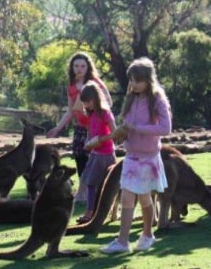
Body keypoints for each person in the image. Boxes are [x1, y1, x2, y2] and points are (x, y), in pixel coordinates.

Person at [100, 57, 172, 254]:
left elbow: (166, 128)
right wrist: (121, 135)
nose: (133, 84)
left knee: (145, 197)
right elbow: (127, 125)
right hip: (131, 155)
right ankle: (123, 241)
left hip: (148, 157)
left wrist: (138, 128)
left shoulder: (157, 99)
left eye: (137, 80)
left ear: (148, 80)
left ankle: (147, 235)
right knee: (127, 196)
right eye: (131, 80)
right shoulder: (131, 98)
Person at [46, 52, 111, 202]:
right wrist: (57, 128)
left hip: (95, 127)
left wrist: (90, 106)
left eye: (82, 66)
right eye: (76, 66)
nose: (79, 69)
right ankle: (83, 192)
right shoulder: (71, 86)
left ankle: (92, 192)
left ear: (88, 67)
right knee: (79, 156)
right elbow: (70, 111)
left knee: (93, 159)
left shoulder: (95, 83)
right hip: (80, 127)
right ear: (72, 67)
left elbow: (108, 103)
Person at [76, 82, 118, 223]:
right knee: (88, 181)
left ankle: (91, 213)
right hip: (95, 153)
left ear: (95, 98)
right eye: (85, 103)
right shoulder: (91, 114)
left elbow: (115, 133)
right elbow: (91, 131)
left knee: (96, 183)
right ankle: (91, 211)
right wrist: (89, 143)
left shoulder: (105, 113)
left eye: (88, 102)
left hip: (105, 154)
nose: (86, 105)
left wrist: (100, 140)